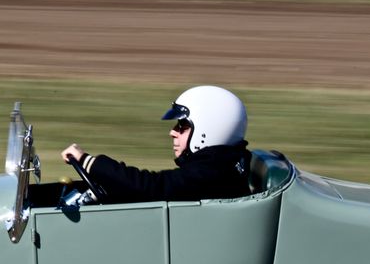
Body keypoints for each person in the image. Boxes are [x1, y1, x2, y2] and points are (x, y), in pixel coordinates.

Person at [61, 85, 252, 203]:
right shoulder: (224, 165)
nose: (172, 132)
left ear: (207, 129)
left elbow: (154, 187)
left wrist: (89, 162)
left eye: (182, 127)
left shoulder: (212, 172)